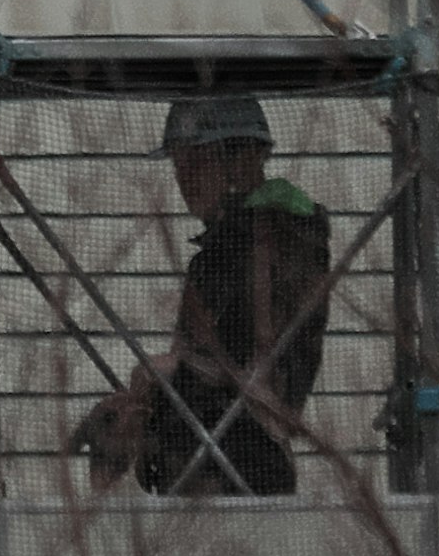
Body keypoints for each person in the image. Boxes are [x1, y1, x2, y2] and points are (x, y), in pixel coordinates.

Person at [72, 89, 331, 499]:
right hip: (202, 459)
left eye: (198, 161)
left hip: (242, 464)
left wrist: (172, 369)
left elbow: (253, 354)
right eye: (178, 165)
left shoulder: (279, 234)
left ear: (243, 158)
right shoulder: (220, 247)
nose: (184, 179)